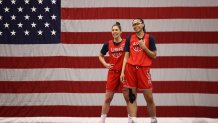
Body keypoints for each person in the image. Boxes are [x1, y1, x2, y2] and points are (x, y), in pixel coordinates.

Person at [120, 18, 158, 123]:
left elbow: (154, 55)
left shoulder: (150, 38)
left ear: (142, 24)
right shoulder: (129, 38)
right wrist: (123, 71)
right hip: (130, 69)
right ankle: (133, 120)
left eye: (137, 23)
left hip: (143, 70)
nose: (135, 25)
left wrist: (144, 47)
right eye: (133, 24)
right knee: (132, 97)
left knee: (149, 97)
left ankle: (153, 119)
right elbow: (126, 56)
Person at [99, 22, 130, 123]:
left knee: (128, 97)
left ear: (121, 31)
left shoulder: (126, 42)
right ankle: (102, 120)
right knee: (108, 98)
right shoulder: (107, 44)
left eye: (116, 30)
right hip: (112, 73)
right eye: (113, 30)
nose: (114, 31)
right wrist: (105, 64)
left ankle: (131, 119)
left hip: (124, 73)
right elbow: (100, 55)